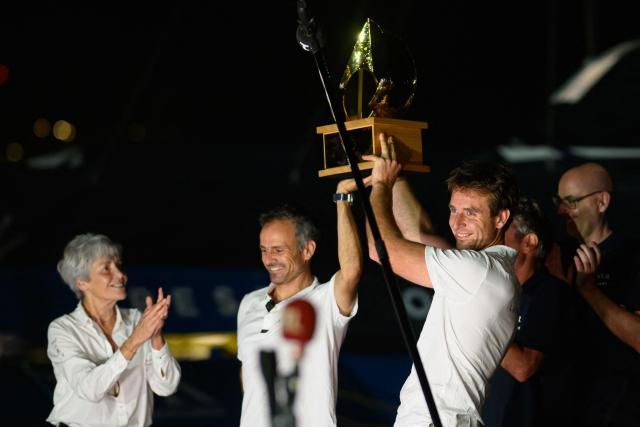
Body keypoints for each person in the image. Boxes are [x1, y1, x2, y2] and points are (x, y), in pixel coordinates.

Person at [363, 134, 520, 427]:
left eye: (470, 213)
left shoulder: (478, 270)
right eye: (453, 210)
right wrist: (395, 176)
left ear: (501, 218)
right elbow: (418, 231)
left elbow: (380, 250)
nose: (457, 223)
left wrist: (380, 185)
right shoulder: (489, 270)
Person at [236, 179, 362, 427]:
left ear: (307, 250)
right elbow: (247, 369)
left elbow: (352, 270)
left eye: (278, 250)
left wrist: (343, 199)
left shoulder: (326, 300)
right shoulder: (249, 303)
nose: (269, 259)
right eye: (264, 250)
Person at [46, 233, 181, 427]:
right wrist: (134, 340)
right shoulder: (63, 329)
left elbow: (167, 387)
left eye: (118, 265)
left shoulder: (137, 320)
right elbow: (89, 389)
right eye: (106, 268)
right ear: (82, 282)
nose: (120, 275)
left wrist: (156, 335)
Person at [552, 162, 640, 426]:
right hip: (560, 406)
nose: (561, 211)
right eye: (559, 201)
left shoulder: (633, 259)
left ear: (601, 202)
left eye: (571, 201)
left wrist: (589, 291)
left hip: (616, 408)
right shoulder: (556, 254)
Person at [482, 196, 573, 427]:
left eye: (502, 234)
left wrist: (480, 313)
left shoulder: (548, 292)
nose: (492, 241)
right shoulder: (500, 292)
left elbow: (523, 367)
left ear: (529, 242)